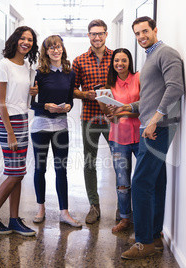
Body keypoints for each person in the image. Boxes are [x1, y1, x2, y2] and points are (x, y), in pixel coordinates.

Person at [109, 17, 184, 259]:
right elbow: (152, 97)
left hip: (156, 127)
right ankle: (153, 236)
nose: (141, 36)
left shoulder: (166, 53)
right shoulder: (150, 56)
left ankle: (143, 242)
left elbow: (175, 87)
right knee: (155, 181)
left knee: (140, 182)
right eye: (137, 33)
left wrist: (153, 120)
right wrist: (126, 108)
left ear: (154, 30)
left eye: (145, 31)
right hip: (150, 124)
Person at [0, 26, 39, 236]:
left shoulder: (27, 66)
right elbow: (1, 101)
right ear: (15, 40)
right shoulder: (4, 64)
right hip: (8, 123)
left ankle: (14, 220)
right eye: (23, 38)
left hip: (23, 120)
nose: (26, 42)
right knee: (16, 173)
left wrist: (33, 91)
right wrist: (10, 132)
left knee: (18, 173)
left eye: (30, 40)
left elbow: (23, 98)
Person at [30, 35, 81, 227]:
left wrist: (68, 106)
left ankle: (64, 212)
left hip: (61, 127)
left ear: (63, 48)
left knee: (61, 169)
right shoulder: (39, 73)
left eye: (58, 47)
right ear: (46, 51)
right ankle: (41, 208)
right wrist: (46, 107)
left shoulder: (70, 73)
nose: (55, 50)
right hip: (41, 126)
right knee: (40, 168)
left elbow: (70, 99)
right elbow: (31, 104)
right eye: (51, 48)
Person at [72, 19, 113, 224]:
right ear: (88, 35)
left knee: (120, 161)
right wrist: (84, 95)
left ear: (106, 34)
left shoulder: (116, 57)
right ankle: (94, 206)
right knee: (90, 162)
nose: (97, 37)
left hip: (113, 117)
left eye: (100, 33)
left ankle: (124, 210)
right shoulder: (79, 61)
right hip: (89, 117)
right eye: (93, 34)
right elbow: (72, 89)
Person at [99, 48, 140, 233]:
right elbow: (111, 117)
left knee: (143, 180)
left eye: (123, 60)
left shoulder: (139, 79)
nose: (120, 64)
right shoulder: (109, 86)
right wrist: (108, 112)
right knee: (122, 181)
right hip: (118, 138)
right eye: (116, 61)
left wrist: (123, 110)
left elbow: (145, 106)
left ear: (129, 62)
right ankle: (125, 218)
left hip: (141, 136)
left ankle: (146, 219)